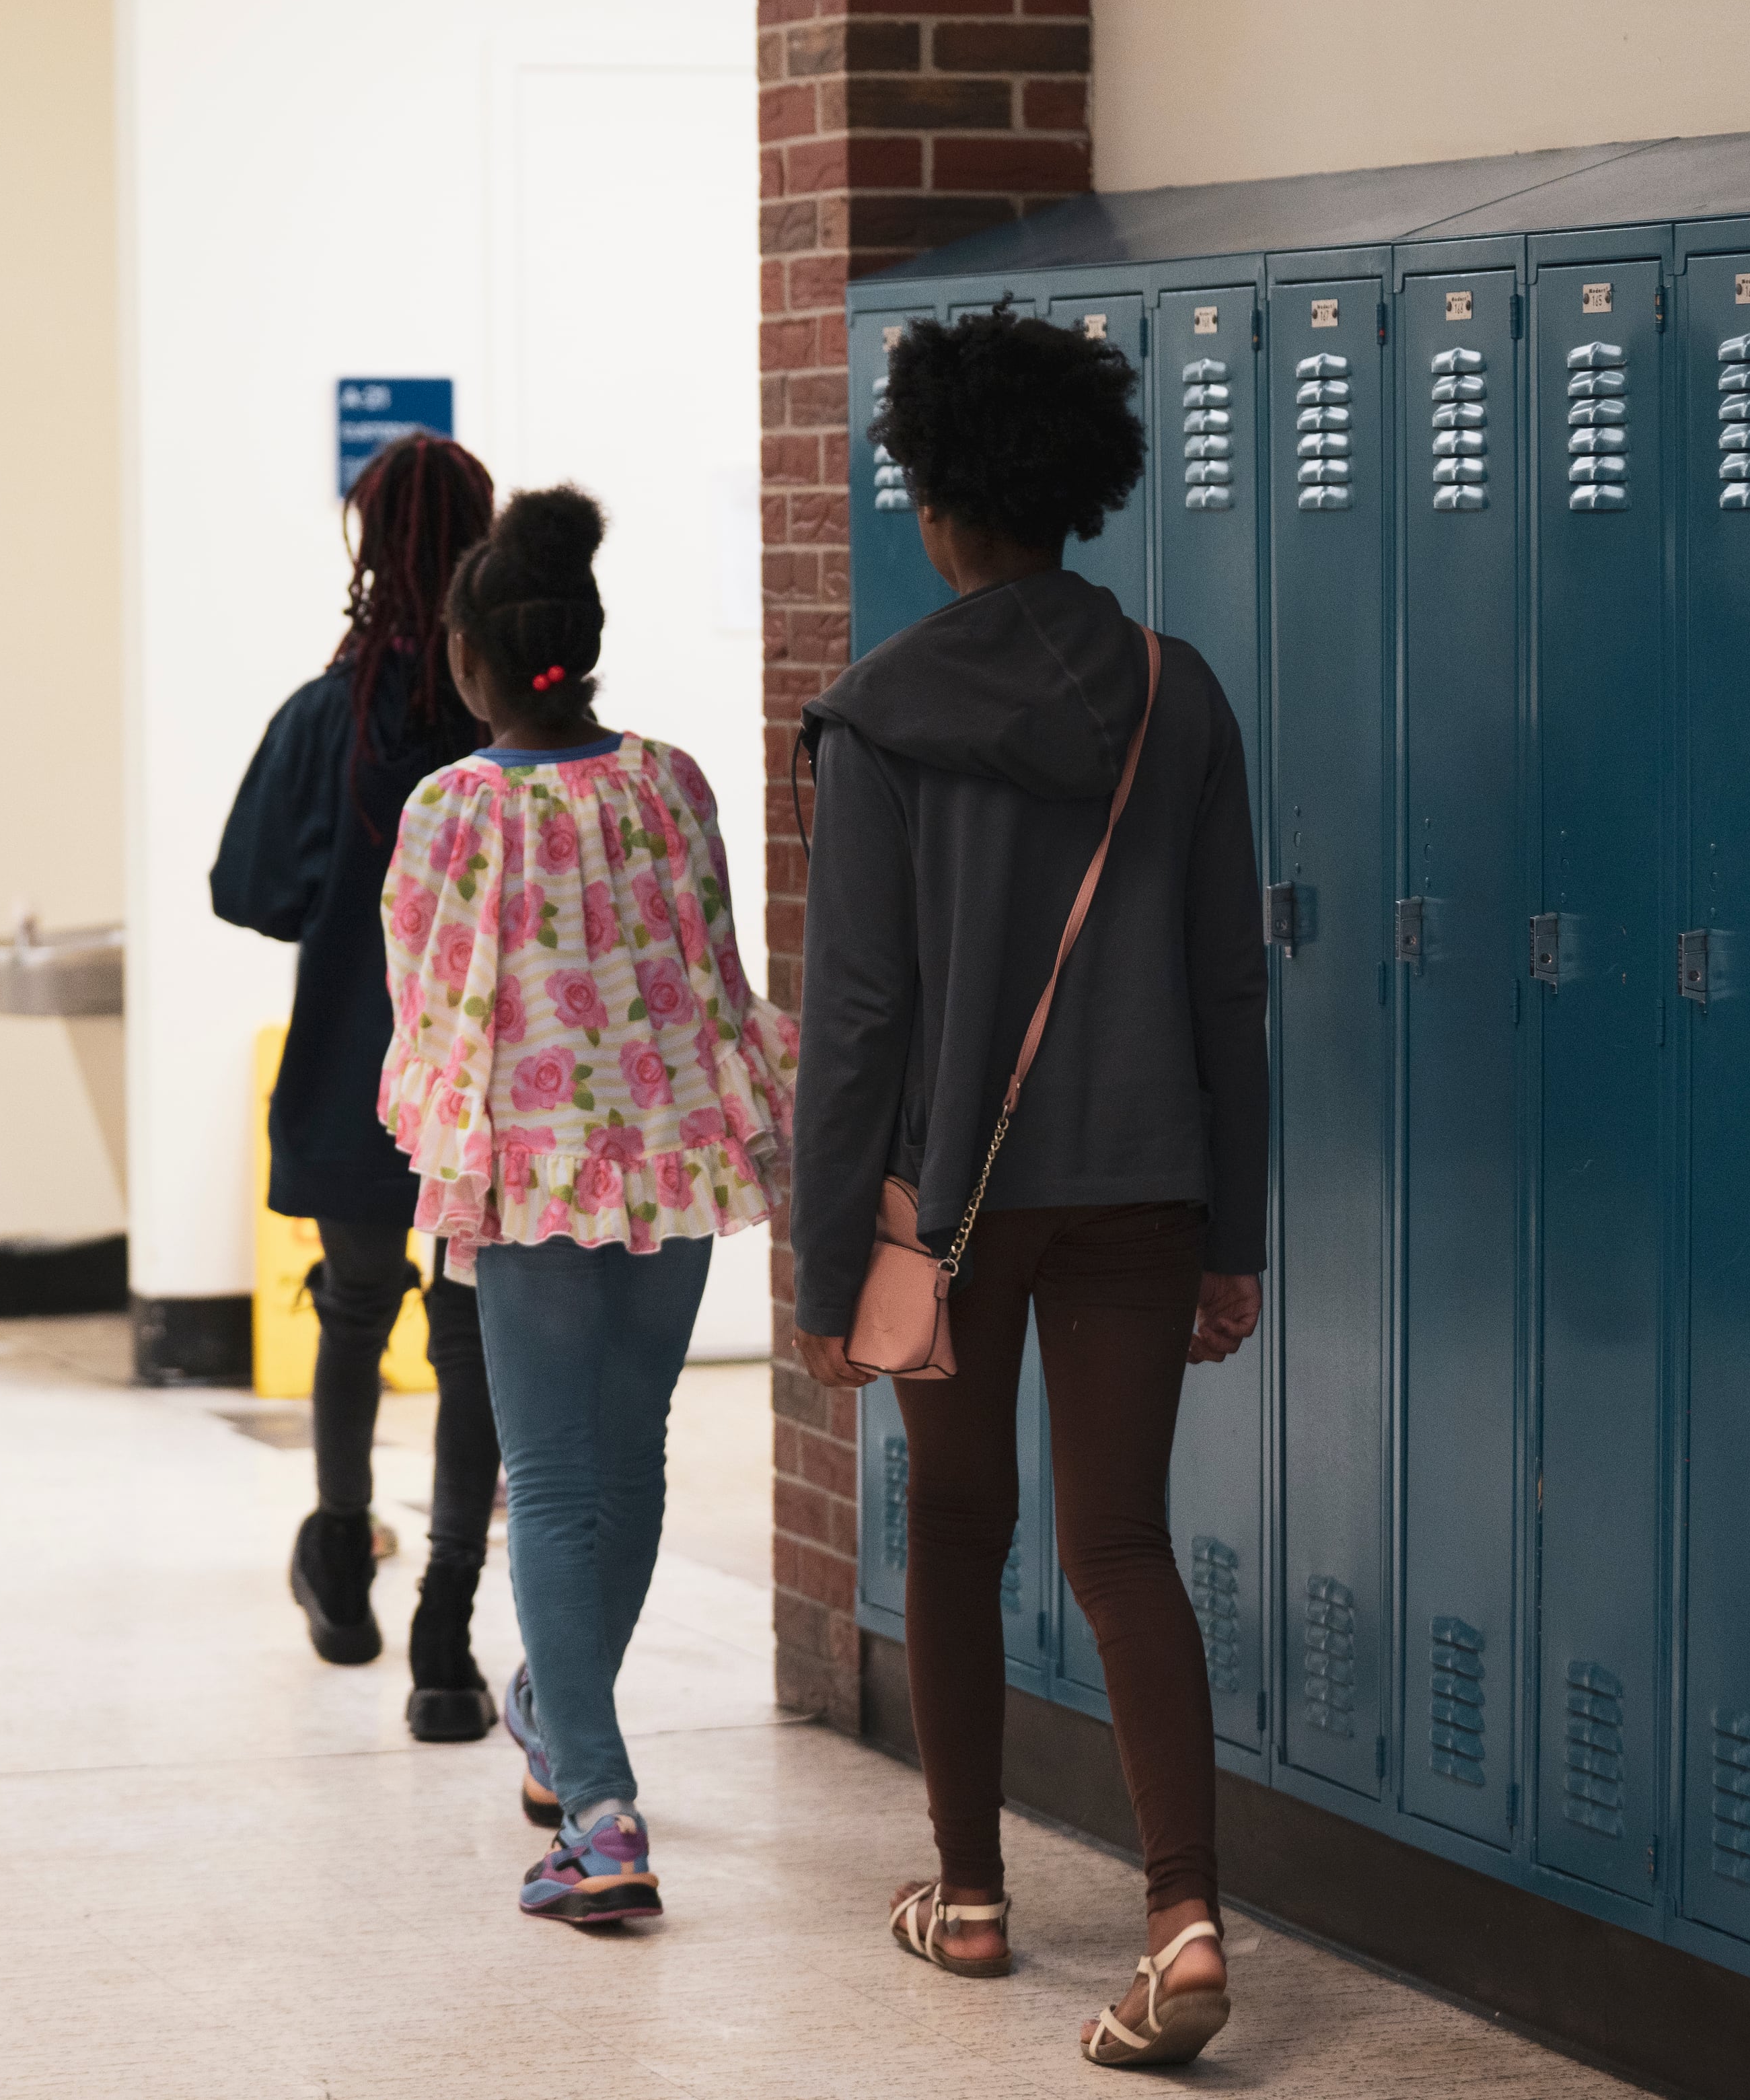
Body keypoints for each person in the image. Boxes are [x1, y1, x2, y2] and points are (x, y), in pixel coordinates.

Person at [787, 309, 1269, 2068]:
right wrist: (1239, 1231)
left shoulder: (879, 720)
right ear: (1078, 489)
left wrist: (830, 1265)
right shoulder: (1176, 689)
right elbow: (1233, 986)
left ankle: (971, 1892)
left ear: (935, 499)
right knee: (1123, 1537)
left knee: (964, 1524)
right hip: (1147, 1181)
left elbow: (856, 1019)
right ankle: (1185, 1912)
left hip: (957, 1203)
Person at [377, 483, 797, 1926]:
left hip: (530, 1173)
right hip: (673, 1162)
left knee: (548, 1485)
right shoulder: (670, 780)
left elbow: (424, 1003)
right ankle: (562, 1725)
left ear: (472, 663)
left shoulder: (451, 808)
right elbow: (716, 968)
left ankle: (600, 1815)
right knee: (631, 1460)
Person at [212, 432, 508, 1737]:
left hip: (351, 1067)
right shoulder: (516, 725)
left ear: (365, 547)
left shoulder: (325, 716)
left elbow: (248, 887)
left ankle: (339, 1557)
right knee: (469, 1338)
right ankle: (447, 1629)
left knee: (352, 1307)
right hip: (490, 1085)